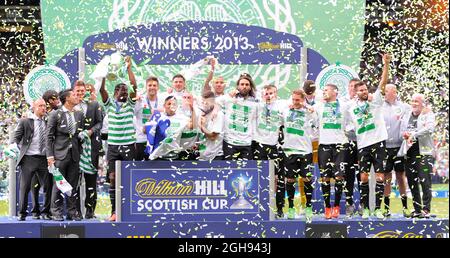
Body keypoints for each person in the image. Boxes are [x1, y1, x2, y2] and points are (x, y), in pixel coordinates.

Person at [346, 53, 391, 219]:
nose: (364, 92)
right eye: (361, 90)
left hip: (378, 142)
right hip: (363, 145)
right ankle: (365, 208)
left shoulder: (376, 101)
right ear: (356, 92)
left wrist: (386, 64)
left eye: (365, 89)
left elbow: (383, 83)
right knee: (363, 177)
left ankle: (378, 209)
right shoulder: (350, 108)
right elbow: (347, 126)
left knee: (380, 176)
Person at [99, 56, 138, 221]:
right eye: (119, 89)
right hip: (113, 147)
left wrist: (129, 68)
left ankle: (129, 211)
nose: (123, 91)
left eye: (124, 89)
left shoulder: (130, 104)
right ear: (115, 92)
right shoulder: (109, 105)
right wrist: (101, 74)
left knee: (128, 178)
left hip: (129, 145)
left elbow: (134, 86)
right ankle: (114, 211)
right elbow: (102, 91)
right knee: (113, 179)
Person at [46, 89, 85, 221]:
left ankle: (72, 211)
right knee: (59, 183)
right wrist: (50, 156)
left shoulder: (79, 114)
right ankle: (56, 212)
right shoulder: (55, 114)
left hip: (74, 154)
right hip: (59, 155)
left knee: (73, 184)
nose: (77, 96)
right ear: (67, 99)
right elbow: (49, 137)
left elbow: (79, 135)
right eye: (74, 95)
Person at [313, 84, 350, 219]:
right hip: (324, 145)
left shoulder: (345, 106)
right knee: (325, 178)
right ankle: (327, 207)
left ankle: (336, 206)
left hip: (340, 145)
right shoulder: (318, 106)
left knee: (339, 176)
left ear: (335, 92)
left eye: (326, 90)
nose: (324, 93)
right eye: (323, 91)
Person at [12, 99, 52, 221]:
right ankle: (22, 213)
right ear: (34, 107)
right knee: (25, 187)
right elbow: (16, 137)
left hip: (44, 159)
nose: (43, 108)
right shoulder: (25, 121)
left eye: (44, 106)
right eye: (40, 106)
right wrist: (14, 145)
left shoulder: (49, 121)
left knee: (48, 186)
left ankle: (45, 212)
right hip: (29, 158)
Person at [280, 89, 317, 222]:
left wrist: (309, 108)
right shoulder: (285, 110)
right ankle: (290, 207)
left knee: (306, 179)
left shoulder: (309, 112)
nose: (295, 102)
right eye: (293, 99)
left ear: (303, 99)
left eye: (298, 100)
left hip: (305, 150)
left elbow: (316, 123)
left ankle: (308, 207)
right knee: (290, 180)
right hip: (289, 150)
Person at [252, 84, 285, 218]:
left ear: (276, 94)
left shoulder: (281, 107)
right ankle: (259, 207)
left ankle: (280, 208)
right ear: (261, 94)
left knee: (278, 178)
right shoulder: (257, 106)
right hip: (259, 145)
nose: (268, 95)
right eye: (266, 93)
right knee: (260, 177)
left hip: (275, 146)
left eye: (271, 93)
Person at [400, 93, 435, 218]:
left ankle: (426, 209)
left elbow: (430, 129)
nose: (414, 103)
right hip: (409, 153)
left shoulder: (427, 114)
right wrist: (404, 135)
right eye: (412, 101)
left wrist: (413, 134)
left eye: (417, 101)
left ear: (422, 103)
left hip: (424, 153)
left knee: (425, 182)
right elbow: (402, 131)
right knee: (412, 182)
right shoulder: (407, 115)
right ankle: (417, 209)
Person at [74, 80, 103, 219]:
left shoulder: (95, 104)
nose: (80, 93)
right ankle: (77, 211)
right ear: (74, 92)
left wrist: (91, 131)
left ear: (86, 91)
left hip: (91, 148)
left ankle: (90, 210)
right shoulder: (71, 106)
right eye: (77, 91)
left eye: (82, 90)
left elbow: (100, 123)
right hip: (75, 148)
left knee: (91, 180)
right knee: (75, 181)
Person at [382, 83, 411, 217]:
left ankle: (405, 207)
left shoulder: (404, 107)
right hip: (385, 147)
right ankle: (386, 208)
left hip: (399, 147)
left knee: (400, 176)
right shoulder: (380, 106)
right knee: (386, 177)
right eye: (384, 91)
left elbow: (409, 123)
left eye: (387, 91)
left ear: (394, 92)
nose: (384, 93)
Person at [217, 73, 258, 160]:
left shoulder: (255, 103)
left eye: (247, 84)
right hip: (230, 142)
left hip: (246, 143)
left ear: (250, 87)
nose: (244, 86)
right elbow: (216, 102)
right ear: (238, 86)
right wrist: (229, 95)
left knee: (246, 172)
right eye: (242, 84)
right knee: (229, 171)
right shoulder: (229, 99)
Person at [145, 96, 191, 160]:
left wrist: (193, 109)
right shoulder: (158, 117)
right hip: (158, 157)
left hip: (175, 156)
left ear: (177, 106)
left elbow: (192, 127)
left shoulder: (182, 118)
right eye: (169, 104)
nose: (171, 106)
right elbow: (144, 131)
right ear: (164, 105)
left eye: (174, 104)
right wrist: (151, 117)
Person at [340, 78, 360, 217]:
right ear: (348, 88)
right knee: (348, 174)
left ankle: (363, 204)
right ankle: (349, 203)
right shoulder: (342, 102)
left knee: (362, 173)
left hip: (362, 142)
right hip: (347, 142)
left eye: (355, 86)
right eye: (351, 86)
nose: (353, 88)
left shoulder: (364, 103)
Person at [133, 76, 164, 161]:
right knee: (140, 170)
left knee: (156, 171)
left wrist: (158, 110)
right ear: (146, 87)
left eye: (154, 85)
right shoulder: (140, 100)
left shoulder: (162, 101)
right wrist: (135, 101)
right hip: (141, 140)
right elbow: (132, 113)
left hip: (157, 142)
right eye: (149, 85)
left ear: (158, 87)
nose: (152, 87)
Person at [197, 91, 224, 161]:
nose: (204, 105)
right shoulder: (201, 113)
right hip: (202, 156)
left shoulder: (218, 115)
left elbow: (213, 137)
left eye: (207, 102)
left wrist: (201, 126)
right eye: (203, 102)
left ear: (213, 102)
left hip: (215, 157)